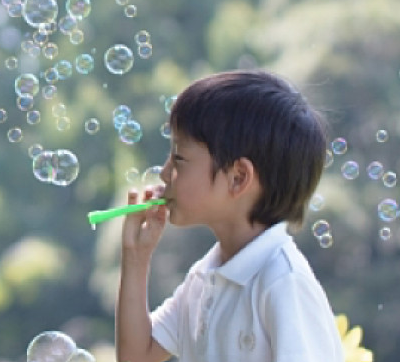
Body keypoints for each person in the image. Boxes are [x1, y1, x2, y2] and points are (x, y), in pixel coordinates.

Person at [114, 70, 345, 362]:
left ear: (238, 178)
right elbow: (137, 356)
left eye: (179, 158)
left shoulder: (283, 281)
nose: (164, 172)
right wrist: (136, 256)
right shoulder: (204, 277)